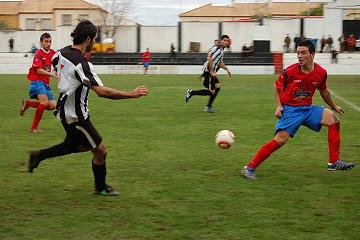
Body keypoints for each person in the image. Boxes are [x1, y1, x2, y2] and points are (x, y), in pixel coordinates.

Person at [27, 20, 149, 196]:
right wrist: (132, 94)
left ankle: (39, 155)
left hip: (65, 111)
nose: (94, 43)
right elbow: (102, 91)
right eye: (94, 39)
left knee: (78, 145)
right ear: (87, 38)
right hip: (75, 117)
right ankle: (101, 188)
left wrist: (67, 83)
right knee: (101, 150)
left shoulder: (60, 53)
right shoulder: (81, 64)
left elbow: (55, 66)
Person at [241, 40, 355, 180]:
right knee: (280, 140)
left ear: (312, 54)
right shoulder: (290, 71)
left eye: (303, 53)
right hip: (291, 110)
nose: (299, 56)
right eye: (298, 53)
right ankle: (249, 168)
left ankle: (333, 162)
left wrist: (333, 106)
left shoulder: (321, 72)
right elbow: (276, 87)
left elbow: (324, 91)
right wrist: (278, 105)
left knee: (334, 121)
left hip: (307, 109)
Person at [20, 33, 57, 132]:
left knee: (53, 105)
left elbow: (58, 64)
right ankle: (34, 127)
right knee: (44, 102)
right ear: (41, 42)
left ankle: (28, 103)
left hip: (45, 83)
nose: (48, 44)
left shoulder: (53, 53)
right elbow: (39, 70)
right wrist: (52, 75)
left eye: (50, 41)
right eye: (46, 41)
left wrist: (56, 71)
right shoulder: (38, 54)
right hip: (37, 81)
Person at [184, 35, 232, 113]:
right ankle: (192, 93)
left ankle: (208, 106)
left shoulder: (222, 50)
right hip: (209, 72)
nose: (226, 42)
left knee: (218, 88)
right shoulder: (218, 49)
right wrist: (212, 71)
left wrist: (227, 69)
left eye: (227, 41)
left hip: (210, 72)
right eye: (225, 40)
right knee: (212, 91)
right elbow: (210, 58)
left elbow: (219, 62)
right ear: (221, 40)